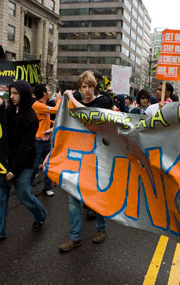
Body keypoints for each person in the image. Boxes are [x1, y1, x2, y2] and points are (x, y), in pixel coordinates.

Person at [0, 80, 47, 246]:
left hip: (24, 164)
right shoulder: (9, 111)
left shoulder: (31, 117)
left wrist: (15, 169)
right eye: (11, 93)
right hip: (6, 162)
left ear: (24, 94)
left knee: (23, 193)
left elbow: (26, 147)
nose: (12, 96)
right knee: (0, 198)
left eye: (16, 93)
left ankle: (40, 215)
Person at [58, 70, 110, 252]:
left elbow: (89, 116)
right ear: (80, 87)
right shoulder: (73, 102)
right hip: (75, 157)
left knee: (96, 196)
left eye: (90, 87)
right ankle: (75, 237)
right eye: (83, 87)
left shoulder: (103, 101)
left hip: (97, 157)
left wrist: (71, 99)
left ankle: (101, 229)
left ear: (95, 87)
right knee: (73, 199)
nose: (87, 90)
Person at [31, 83, 62, 197]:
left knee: (48, 165)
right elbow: (55, 110)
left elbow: (42, 119)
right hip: (38, 140)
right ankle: (27, 187)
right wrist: (59, 99)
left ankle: (47, 187)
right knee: (35, 166)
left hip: (46, 139)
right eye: (48, 90)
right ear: (44, 93)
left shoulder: (42, 105)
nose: (50, 92)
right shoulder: (38, 105)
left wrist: (50, 123)